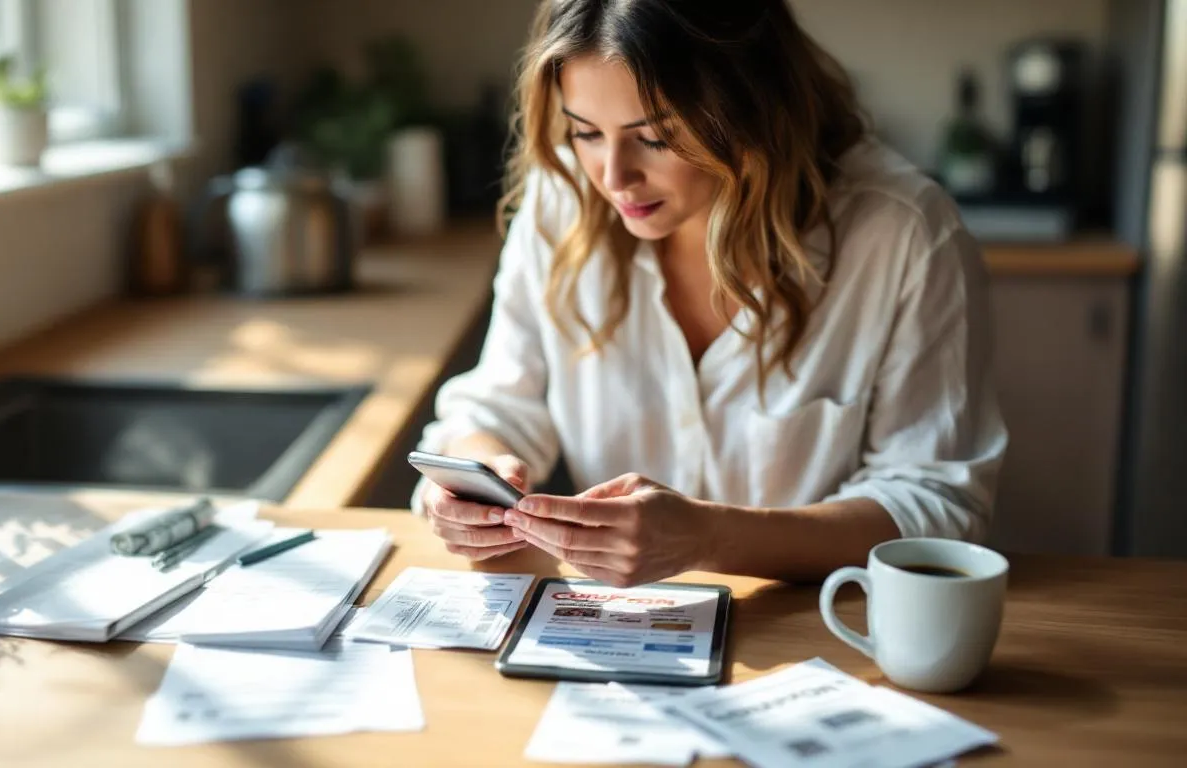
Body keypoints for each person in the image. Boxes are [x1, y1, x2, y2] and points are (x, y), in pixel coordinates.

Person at [411, 0, 1007, 586]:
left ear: (750, 107)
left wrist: (708, 538)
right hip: (617, 639)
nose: (613, 178)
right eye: (586, 132)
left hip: (824, 630)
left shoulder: (902, 233)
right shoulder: (561, 201)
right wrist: (474, 471)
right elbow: (499, 407)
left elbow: (937, 505)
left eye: (656, 138)